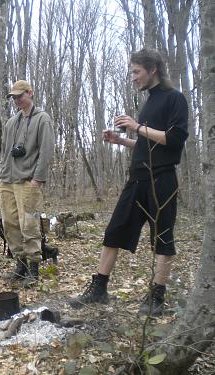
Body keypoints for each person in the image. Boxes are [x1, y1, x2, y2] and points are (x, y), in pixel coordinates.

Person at [69, 48, 188, 316]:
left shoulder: (174, 99)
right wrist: (121, 140)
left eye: (136, 71)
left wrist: (135, 126)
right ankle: (99, 289)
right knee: (114, 231)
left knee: (162, 238)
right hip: (137, 180)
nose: (132, 77)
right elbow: (148, 143)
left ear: (152, 70)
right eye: (131, 72)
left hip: (162, 181)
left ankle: (157, 296)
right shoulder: (148, 102)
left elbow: (175, 139)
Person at [0, 80, 55, 287]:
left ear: (30, 93)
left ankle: (33, 269)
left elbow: (46, 151)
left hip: (28, 182)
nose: (16, 100)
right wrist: (2, 175)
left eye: (20, 96)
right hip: (7, 180)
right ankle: (20, 266)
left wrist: (37, 179)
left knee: (28, 224)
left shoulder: (42, 119)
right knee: (10, 224)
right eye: (13, 97)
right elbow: (5, 150)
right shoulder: (11, 122)